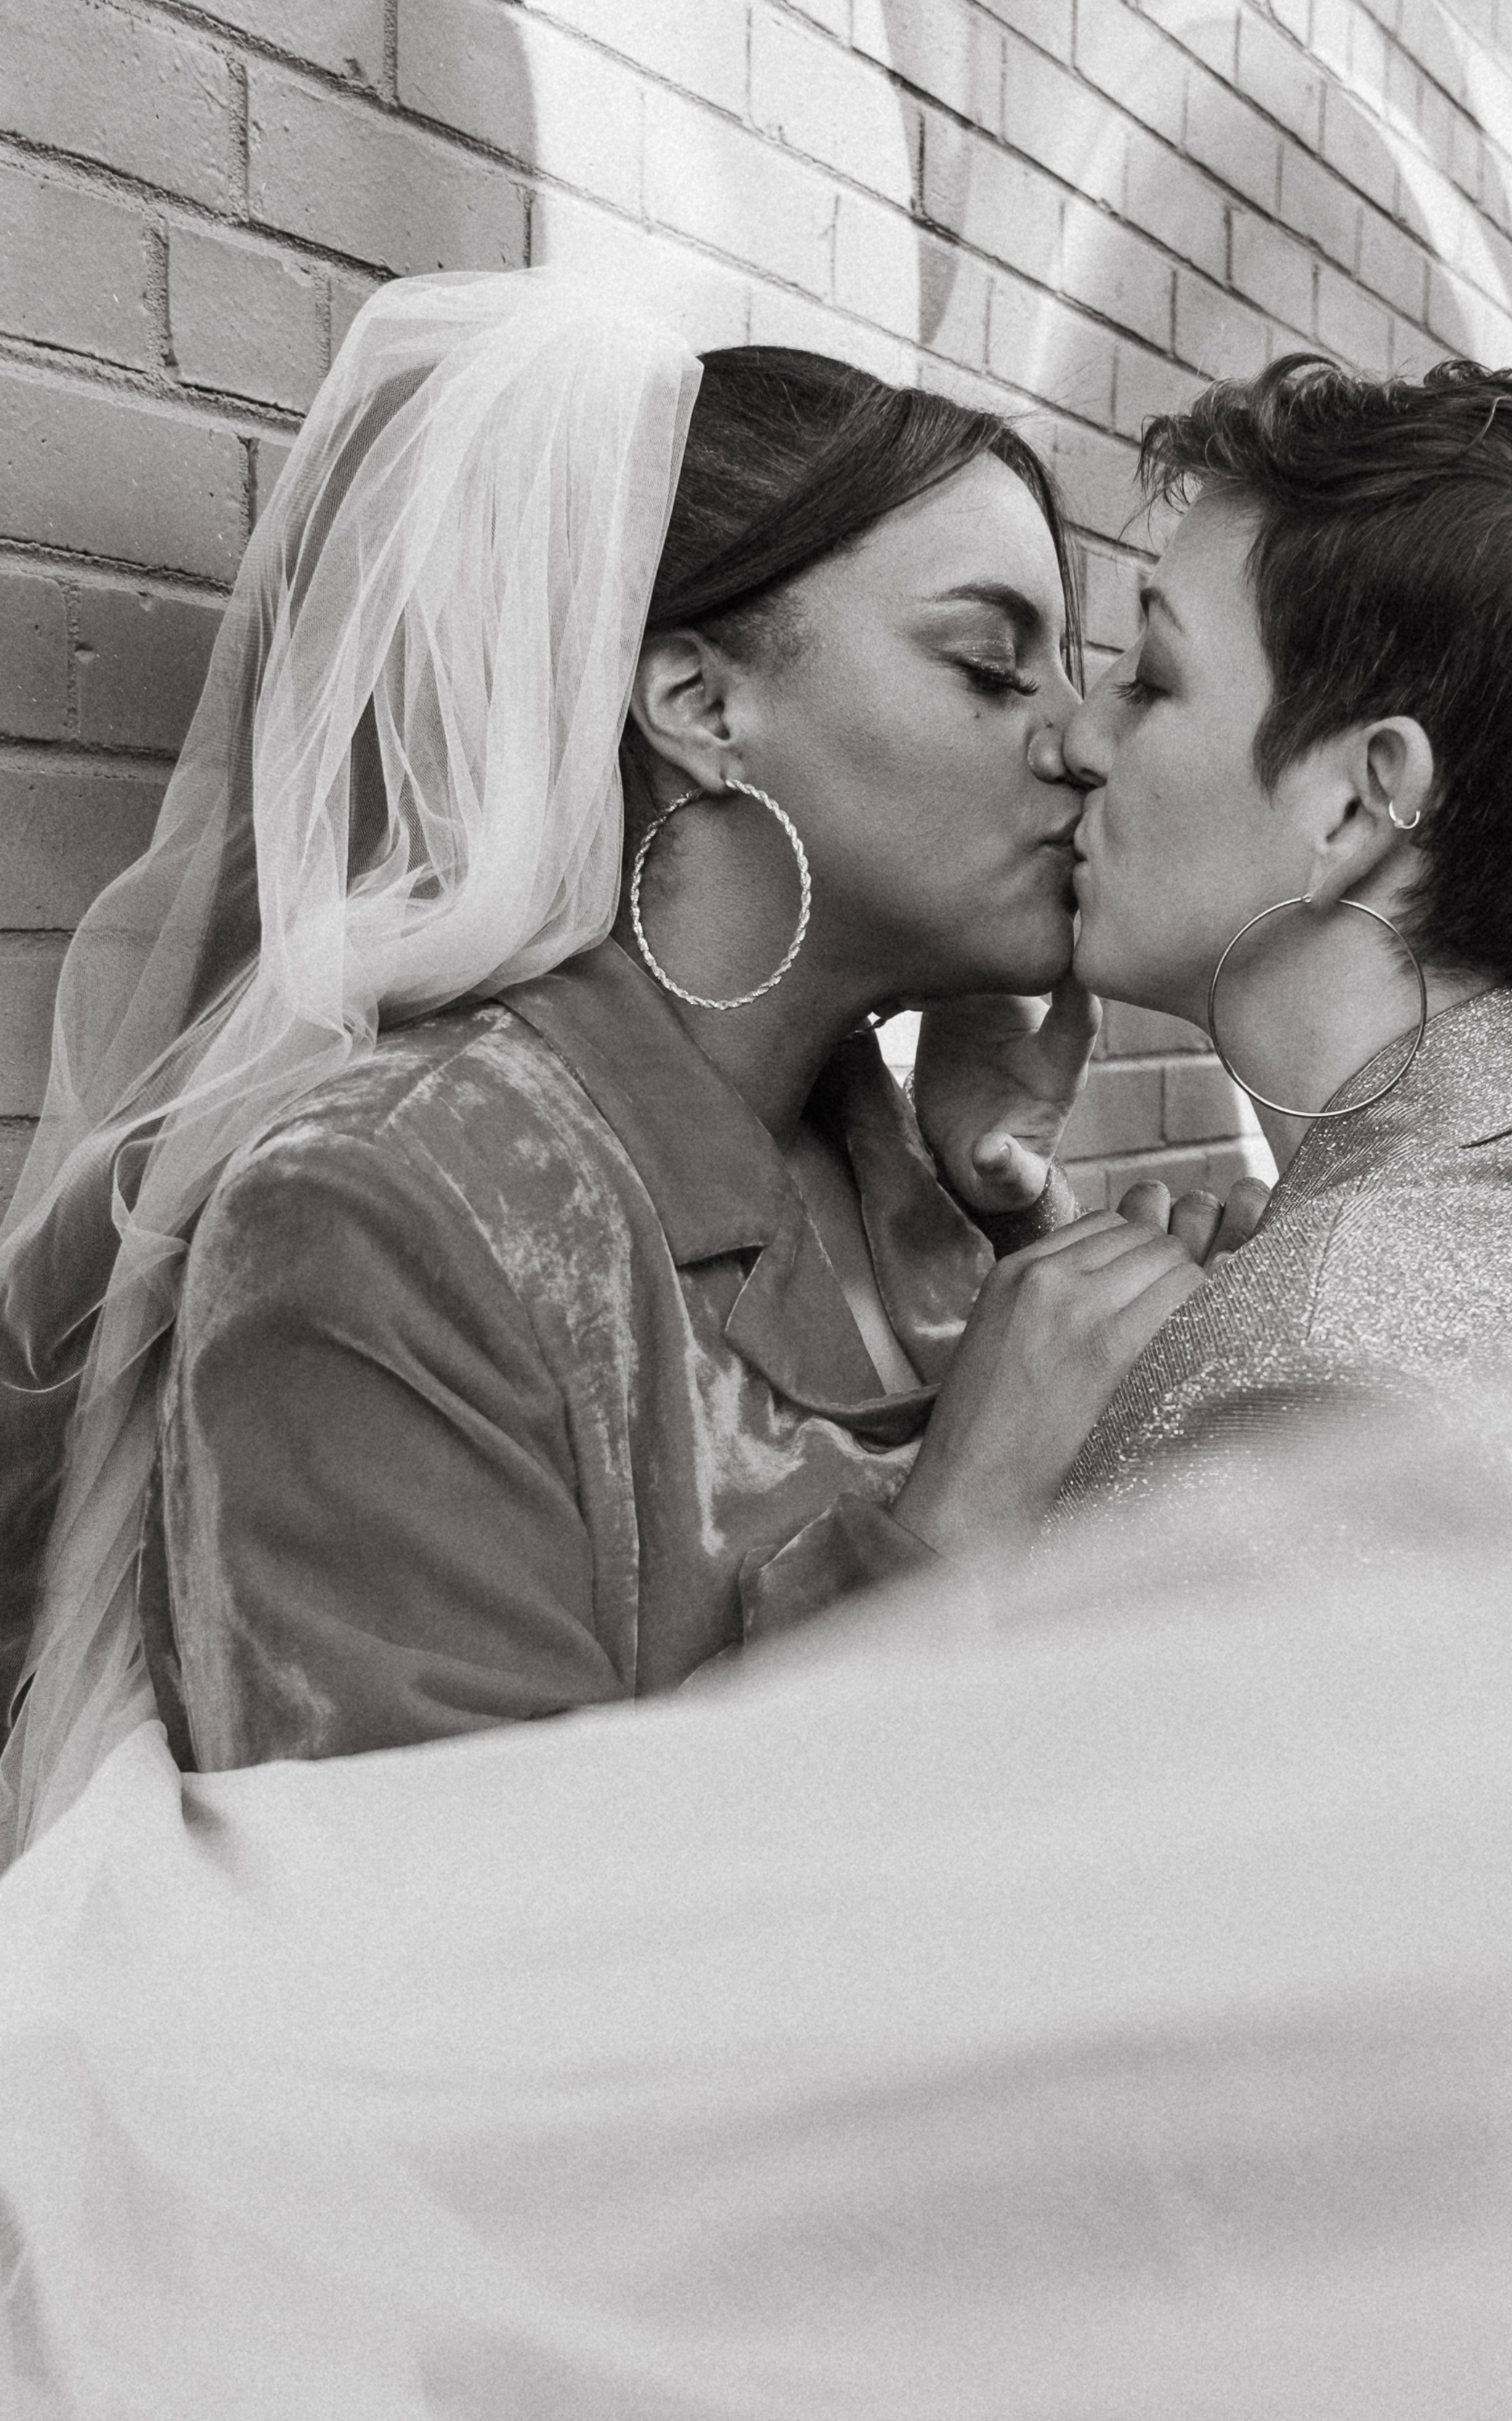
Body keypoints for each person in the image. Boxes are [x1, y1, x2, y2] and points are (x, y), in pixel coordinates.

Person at [0, 272, 1222, 1854]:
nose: (1079, 739)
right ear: (700, 703)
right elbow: (427, 1956)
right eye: (993, 668)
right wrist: (949, 1526)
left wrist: (1016, 1240)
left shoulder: (918, 1185)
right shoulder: (385, 1209)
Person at [890, 356, 1512, 1563]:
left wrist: (967, 1517)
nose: (1080, 733)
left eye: (1152, 679)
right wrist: (1039, 1240)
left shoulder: (1317, 1385)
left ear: (1358, 811)